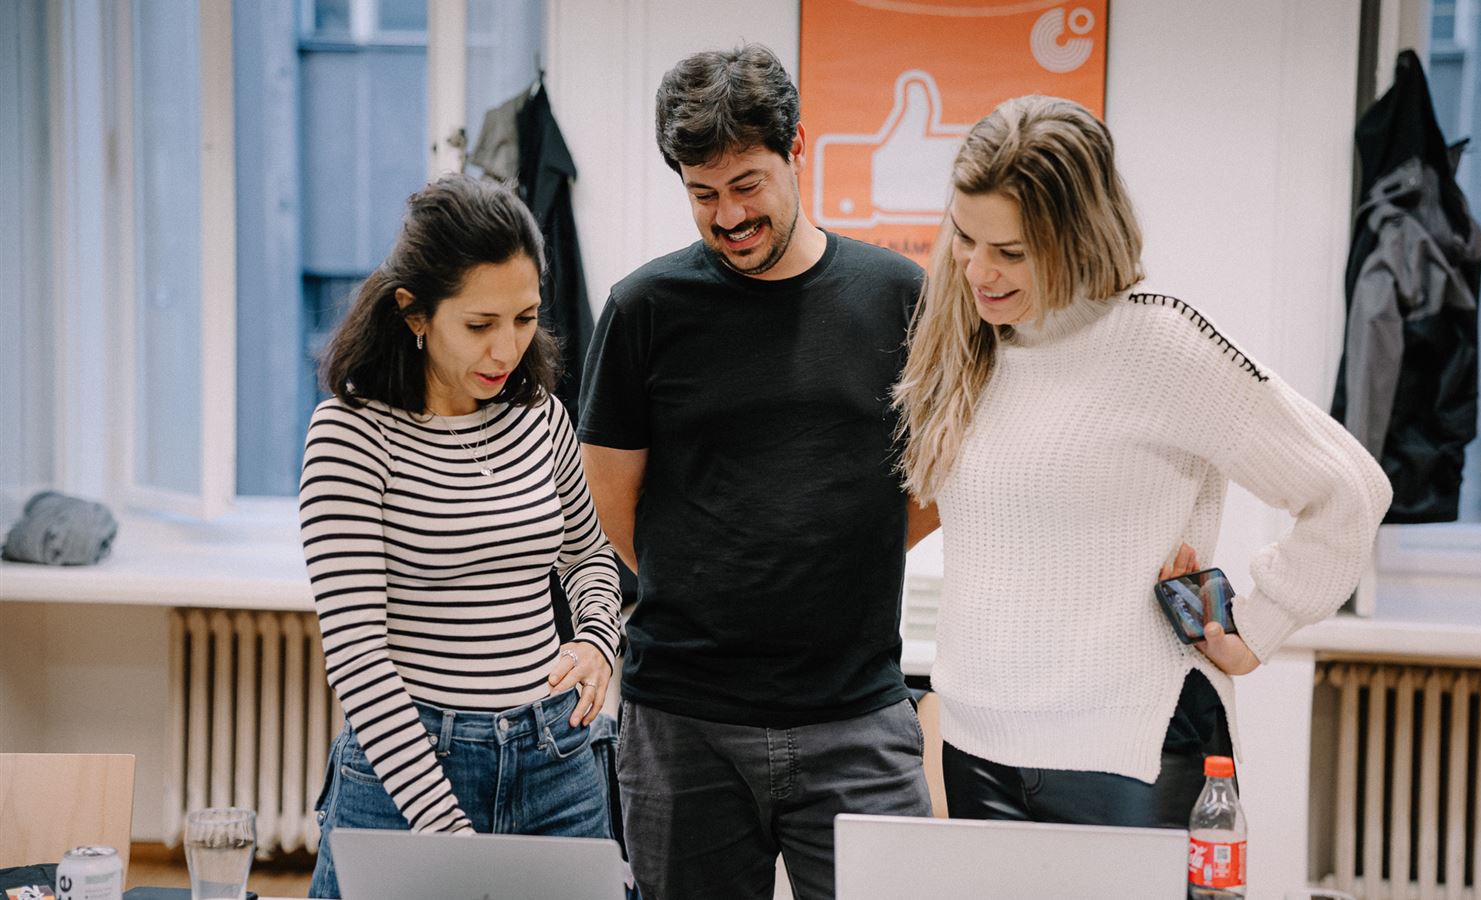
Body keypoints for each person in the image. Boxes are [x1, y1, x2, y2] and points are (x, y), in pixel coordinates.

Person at [893, 95, 1392, 827]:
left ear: (1078, 236)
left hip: (1131, 751)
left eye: (1012, 252)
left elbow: (1349, 489)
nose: (978, 270)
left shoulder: (1162, 343)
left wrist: (1259, 627)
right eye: (965, 238)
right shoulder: (963, 340)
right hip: (977, 744)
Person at [577, 44, 932, 900]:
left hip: (858, 716)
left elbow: (934, 482)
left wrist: (833, 554)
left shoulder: (898, 296)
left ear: (796, 147)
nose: (729, 216)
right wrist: (716, 573)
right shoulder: (644, 309)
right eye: (704, 195)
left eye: (747, 185)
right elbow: (613, 500)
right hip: (682, 724)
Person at [300, 174, 622, 898]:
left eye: (525, 318)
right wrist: (446, 835)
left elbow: (588, 555)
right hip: (406, 770)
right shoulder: (350, 436)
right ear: (414, 312)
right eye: (480, 325)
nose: (506, 349)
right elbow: (357, 657)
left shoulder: (540, 416)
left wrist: (599, 640)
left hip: (556, 758)